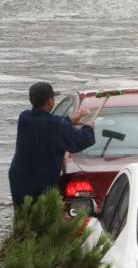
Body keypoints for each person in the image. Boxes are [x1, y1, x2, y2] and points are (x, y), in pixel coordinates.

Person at [8, 82, 95, 210]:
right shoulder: (57, 125)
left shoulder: (24, 117)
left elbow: (46, 123)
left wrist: (69, 120)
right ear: (49, 101)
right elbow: (79, 142)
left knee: (23, 218)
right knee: (43, 220)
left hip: (19, 179)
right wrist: (89, 128)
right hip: (41, 183)